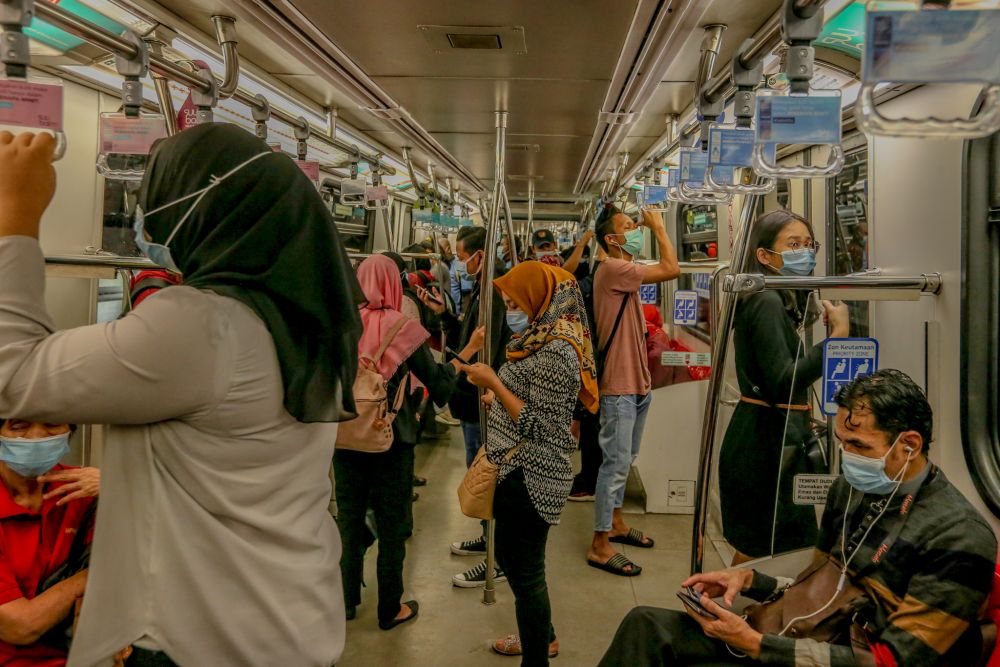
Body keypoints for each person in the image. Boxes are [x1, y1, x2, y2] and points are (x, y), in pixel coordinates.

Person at [0, 126, 364, 666]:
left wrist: (16, 217)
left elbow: (13, 378)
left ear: (197, 212)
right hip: (290, 619)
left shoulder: (205, 325)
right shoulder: (300, 319)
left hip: (207, 638)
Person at [599, 369, 998, 666]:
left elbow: (892, 661)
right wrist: (750, 580)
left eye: (859, 445)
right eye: (843, 443)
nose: (848, 457)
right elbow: (822, 588)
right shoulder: (852, 490)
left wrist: (756, 645)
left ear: (908, 445)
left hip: (841, 654)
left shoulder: (958, 538)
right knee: (646, 625)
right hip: (803, 633)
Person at [334, 255, 484, 630]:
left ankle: (346, 600)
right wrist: (465, 355)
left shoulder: (343, 324)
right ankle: (390, 609)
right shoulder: (404, 327)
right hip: (391, 438)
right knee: (392, 526)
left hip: (345, 435)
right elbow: (439, 386)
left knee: (349, 522)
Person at [462, 261, 598, 666]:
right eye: (507, 303)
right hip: (518, 466)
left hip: (532, 475)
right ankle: (542, 637)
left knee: (526, 573)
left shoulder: (556, 350)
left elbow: (545, 427)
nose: (511, 311)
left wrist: (495, 385)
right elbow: (531, 403)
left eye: (516, 302)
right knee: (517, 563)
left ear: (541, 300)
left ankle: (538, 653)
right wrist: (498, 399)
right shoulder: (536, 339)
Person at [720, 210, 850, 564]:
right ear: (764, 256)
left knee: (765, 548)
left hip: (769, 435)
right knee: (762, 549)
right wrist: (837, 338)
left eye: (809, 245)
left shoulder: (774, 299)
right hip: (765, 444)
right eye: (793, 245)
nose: (805, 253)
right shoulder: (766, 301)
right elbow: (782, 381)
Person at [587, 204, 680, 577]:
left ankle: (618, 523)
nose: (637, 229)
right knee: (615, 463)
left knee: (627, 459)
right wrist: (659, 227)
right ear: (612, 239)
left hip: (636, 381)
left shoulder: (624, 272)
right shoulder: (614, 268)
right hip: (619, 385)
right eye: (630, 226)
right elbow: (672, 269)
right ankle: (599, 543)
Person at [418, 225, 512, 586]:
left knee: (488, 474)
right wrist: (446, 315)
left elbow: (488, 346)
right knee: (480, 472)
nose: (459, 262)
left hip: (482, 397)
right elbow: (467, 334)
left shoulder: (494, 292)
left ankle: (497, 557)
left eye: (461, 255)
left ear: (480, 255)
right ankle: (487, 538)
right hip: (474, 395)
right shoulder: (480, 291)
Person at [0, 419, 99, 667]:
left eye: (52, 424)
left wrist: (121, 487)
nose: (36, 436)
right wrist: (90, 577)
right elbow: (20, 626)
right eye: (18, 425)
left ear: (70, 430)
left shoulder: (83, 492)